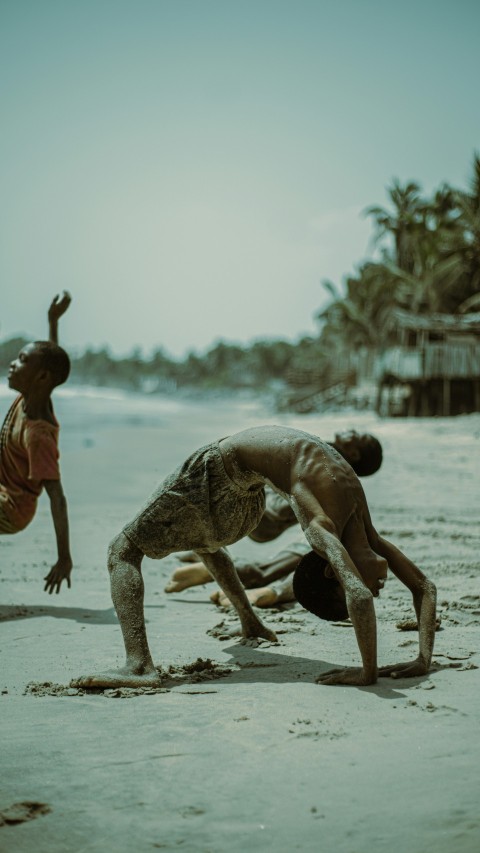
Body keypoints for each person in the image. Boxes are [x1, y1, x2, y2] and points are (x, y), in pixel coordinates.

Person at [72, 425, 436, 690]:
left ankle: (138, 667)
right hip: (246, 491)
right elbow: (421, 587)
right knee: (206, 541)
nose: (377, 591)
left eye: (376, 591)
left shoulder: (325, 527)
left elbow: (370, 590)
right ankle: (249, 620)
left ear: (332, 572)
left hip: (223, 471)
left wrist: (400, 665)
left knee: (122, 550)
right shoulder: (364, 531)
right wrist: (394, 666)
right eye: (377, 590)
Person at [165, 430, 383, 607]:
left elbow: (286, 505)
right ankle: (212, 557)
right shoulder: (326, 456)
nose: (352, 430)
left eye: (358, 436)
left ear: (354, 454)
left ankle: (214, 560)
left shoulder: (330, 470)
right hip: (261, 509)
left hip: (264, 514)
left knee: (313, 548)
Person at [1, 292, 73, 594]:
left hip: (12, 507)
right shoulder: (32, 396)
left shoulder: (38, 435)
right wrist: (53, 321)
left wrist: (64, 557)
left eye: (22, 361)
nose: (13, 365)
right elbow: (50, 363)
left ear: (40, 378)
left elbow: (56, 497)